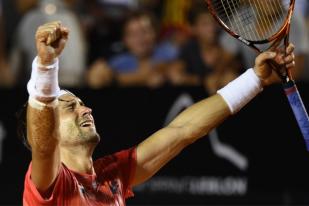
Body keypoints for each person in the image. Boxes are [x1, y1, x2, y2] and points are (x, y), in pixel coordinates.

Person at [22, 21, 295, 205]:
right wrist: (45, 66)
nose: (86, 108)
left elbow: (183, 131)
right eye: (71, 107)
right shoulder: (51, 184)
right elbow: (44, 147)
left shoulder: (111, 175)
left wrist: (255, 79)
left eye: (81, 102)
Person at [168, 7, 240, 94]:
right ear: (193, 28)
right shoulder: (189, 48)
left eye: (213, 22)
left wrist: (219, 78)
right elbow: (175, 76)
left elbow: (236, 68)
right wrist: (202, 81)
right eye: (205, 24)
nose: (211, 28)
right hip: (196, 101)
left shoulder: (225, 44)